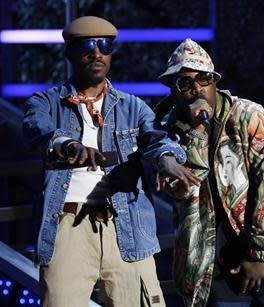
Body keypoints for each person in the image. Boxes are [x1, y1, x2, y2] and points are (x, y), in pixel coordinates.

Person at [22, 16, 199, 307]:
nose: (96, 53)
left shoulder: (133, 106)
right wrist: (67, 145)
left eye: (104, 46)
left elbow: (156, 137)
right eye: (87, 46)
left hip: (125, 224)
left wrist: (167, 160)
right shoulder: (46, 102)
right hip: (67, 227)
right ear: (69, 53)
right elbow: (38, 131)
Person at [153, 38, 264, 307]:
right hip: (209, 269)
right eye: (185, 83)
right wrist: (196, 135)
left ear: (215, 82)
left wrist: (259, 255)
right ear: (172, 90)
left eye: (204, 79)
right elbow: (186, 191)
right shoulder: (166, 133)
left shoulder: (248, 116)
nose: (197, 88)